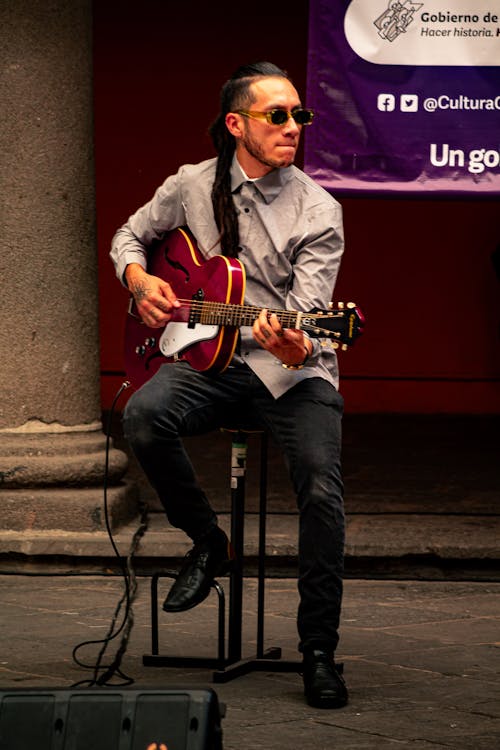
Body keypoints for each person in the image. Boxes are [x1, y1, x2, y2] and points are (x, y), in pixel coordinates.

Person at [110, 61, 347, 709]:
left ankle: (319, 650)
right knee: (142, 417)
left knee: (322, 488)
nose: (293, 126)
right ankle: (208, 541)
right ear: (237, 124)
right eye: (278, 115)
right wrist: (140, 282)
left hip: (290, 371)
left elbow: (310, 318)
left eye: (301, 115)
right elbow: (130, 236)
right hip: (207, 362)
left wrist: (300, 338)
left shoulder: (318, 210)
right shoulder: (191, 185)